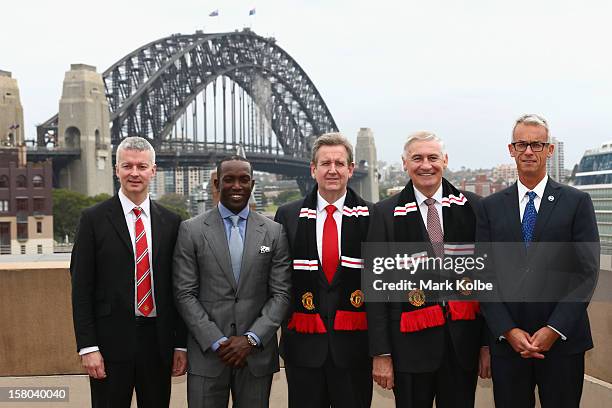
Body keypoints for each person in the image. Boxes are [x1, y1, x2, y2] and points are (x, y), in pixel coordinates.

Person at [477, 114, 599, 407]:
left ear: (549, 150)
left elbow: (586, 272)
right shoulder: (489, 207)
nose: (529, 151)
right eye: (522, 144)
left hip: (563, 342)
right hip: (509, 346)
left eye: (536, 144)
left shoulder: (576, 202)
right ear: (511, 149)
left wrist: (553, 329)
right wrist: (507, 329)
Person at [367, 131, 490, 408]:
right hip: (408, 349)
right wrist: (381, 354)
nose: (426, 165)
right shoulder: (384, 214)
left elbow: (488, 281)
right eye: (417, 158)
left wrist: (486, 345)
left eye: (433, 157)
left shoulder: (473, 208)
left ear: (445, 160)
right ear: (404, 164)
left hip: (462, 346)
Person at [71, 136, 187, 408]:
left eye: (142, 166)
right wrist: (88, 347)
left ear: (153, 171)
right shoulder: (92, 219)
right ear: (116, 169)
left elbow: (179, 289)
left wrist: (180, 345)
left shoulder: (172, 222)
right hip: (109, 346)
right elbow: (81, 289)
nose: (134, 173)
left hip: (158, 345)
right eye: (127, 166)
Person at [173, 155, 291, 408]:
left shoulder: (274, 232)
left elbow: (281, 294)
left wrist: (250, 339)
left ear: (253, 184)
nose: (237, 186)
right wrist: (217, 341)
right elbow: (184, 293)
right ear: (217, 184)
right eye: (229, 180)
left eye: (243, 180)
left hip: (255, 355)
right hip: (208, 354)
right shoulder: (191, 230)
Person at [275, 133, 373, 408]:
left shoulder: (372, 215)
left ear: (351, 169)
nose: (332, 170)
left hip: (355, 349)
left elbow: (380, 286)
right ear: (313, 169)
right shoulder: (287, 215)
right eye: (325, 163)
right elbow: (278, 281)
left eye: (339, 163)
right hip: (304, 349)